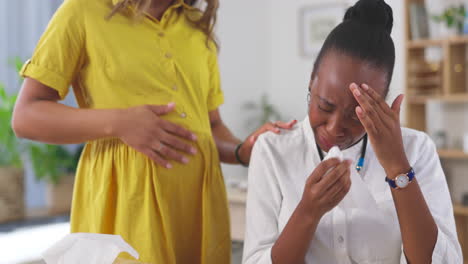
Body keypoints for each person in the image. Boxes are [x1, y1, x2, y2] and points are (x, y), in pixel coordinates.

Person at [11, 0, 296, 263]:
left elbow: (209, 127)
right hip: (126, 204)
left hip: (198, 206)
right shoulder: (83, 10)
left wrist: (241, 150)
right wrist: (120, 122)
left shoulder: (196, 25)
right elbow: (26, 116)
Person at [242, 0, 462, 263]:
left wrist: (397, 166)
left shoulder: (417, 149)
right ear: (312, 78)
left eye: (355, 115)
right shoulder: (272, 151)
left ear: (382, 100)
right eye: (324, 106)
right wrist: (307, 212)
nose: (335, 129)